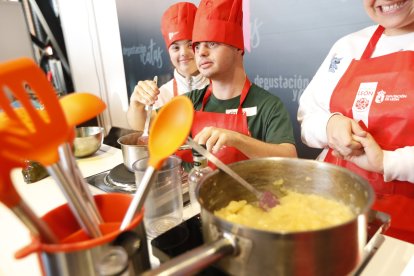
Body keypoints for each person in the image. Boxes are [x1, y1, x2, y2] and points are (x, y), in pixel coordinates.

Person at [298, 0, 414, 243]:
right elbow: (308, 117)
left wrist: (387, 162)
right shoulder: (348, 47)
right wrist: (330, 124)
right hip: (333, 209)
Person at [127, 2, 209, 130]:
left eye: (190, 45)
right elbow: (142, 127)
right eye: (176, 47)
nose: (183, 53)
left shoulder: (221, 88)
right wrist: (136, 105)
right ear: (169, 53)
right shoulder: (163, 94)